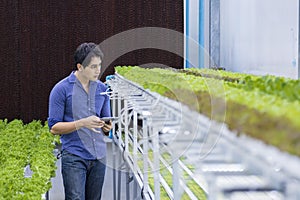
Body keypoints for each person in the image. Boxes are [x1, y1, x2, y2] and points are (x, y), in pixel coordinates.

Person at [48, 42, 112, 200]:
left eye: (99, 66)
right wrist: (82, 123)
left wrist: (107, 126)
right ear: (80, 67)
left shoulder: (102, 90)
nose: (98, 71)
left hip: (99, 158)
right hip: (74, 157)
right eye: (93, 67)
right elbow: (54, 127)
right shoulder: (61, 89)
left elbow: (107, 123)